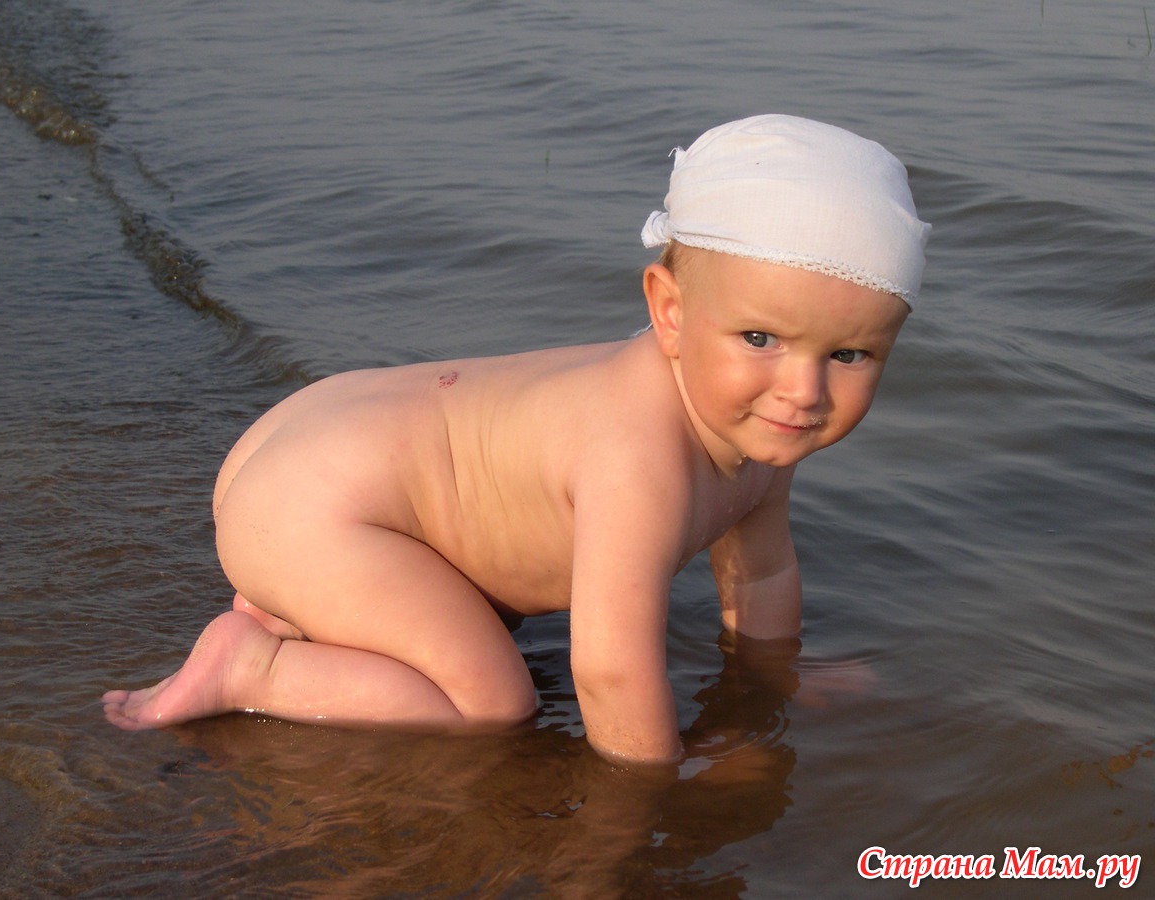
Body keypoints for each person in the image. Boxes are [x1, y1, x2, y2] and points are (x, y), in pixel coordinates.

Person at [102, 114, 930, 765]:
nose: (804, 390)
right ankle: (257, 667)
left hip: (327, 440)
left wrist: (773, 677)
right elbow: (609, 670)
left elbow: (763, 569)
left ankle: (312, 606)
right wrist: (651, 799)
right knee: (492, 702)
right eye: (759, 339)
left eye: (849, 355)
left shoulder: (752, 421)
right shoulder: (640, 455)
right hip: (318, 506)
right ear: (670, 312)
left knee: (477, 616)